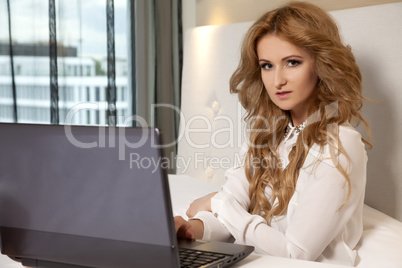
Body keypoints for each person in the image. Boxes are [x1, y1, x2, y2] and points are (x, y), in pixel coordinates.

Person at [175, 1, 371, 266]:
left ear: (321, 64)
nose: (277, 80)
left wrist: (218, 203)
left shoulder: (340, 144)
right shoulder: (266, 134)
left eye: (292, 62)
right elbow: (235, 201)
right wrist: (196, 228)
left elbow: (296, 253)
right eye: (267, 65)